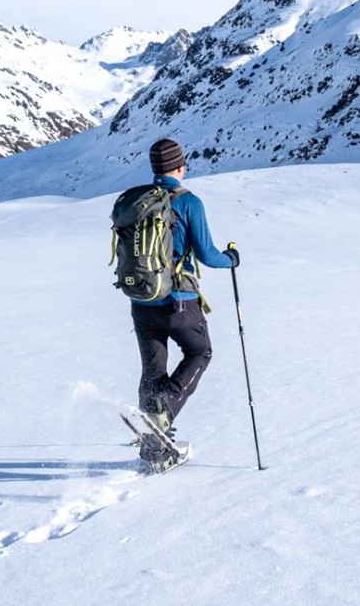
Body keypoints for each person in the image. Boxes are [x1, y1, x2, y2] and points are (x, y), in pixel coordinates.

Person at [131, 137, 239, 469]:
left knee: (153, 370)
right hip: (178, 300)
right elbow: (207, 255)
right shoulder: (188, 202)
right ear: (180, 166)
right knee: (199, 352)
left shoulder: (138, 200)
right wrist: (231, 259)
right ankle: (163, 411)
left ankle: (153, 449)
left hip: (141, 299)